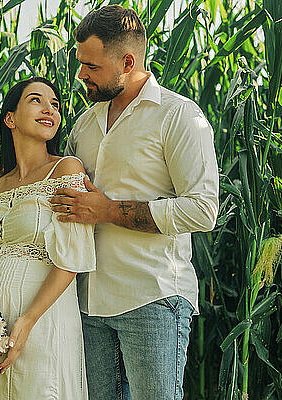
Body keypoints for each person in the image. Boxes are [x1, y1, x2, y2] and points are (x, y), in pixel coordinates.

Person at [49, 6, 219, 400]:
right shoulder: (85, 125)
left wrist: (108, 210)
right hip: (88, 303)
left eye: (92, 66)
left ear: (128, 62)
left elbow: (203, 209)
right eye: (80, 63)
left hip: (152, 295)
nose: (80, 76)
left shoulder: (178, 117)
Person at [0, 76, 95, 399]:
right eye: (36, 100)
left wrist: (28, 320)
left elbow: (72, 259)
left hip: (43, 320)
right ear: (10, 119)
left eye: (55, 104)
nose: (49, 109)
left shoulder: (65, 170)